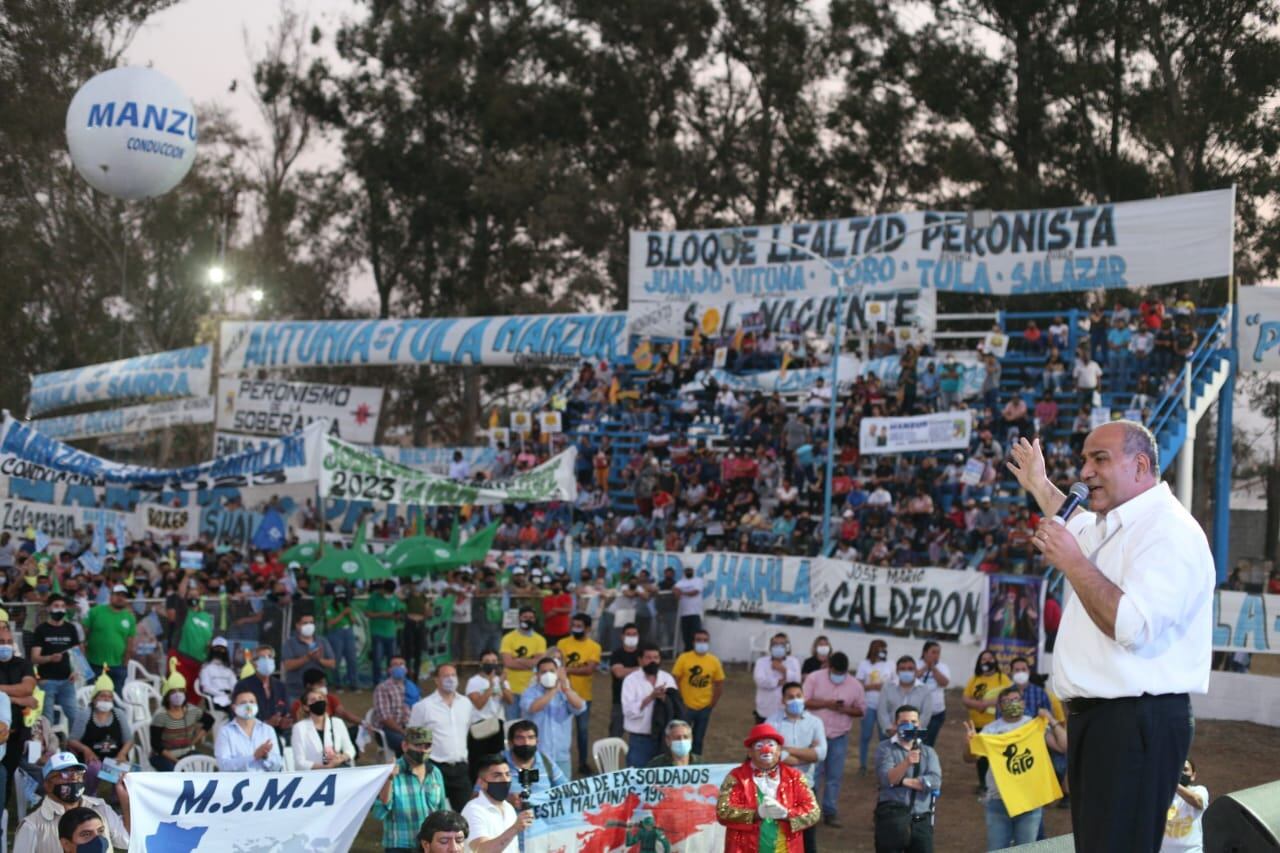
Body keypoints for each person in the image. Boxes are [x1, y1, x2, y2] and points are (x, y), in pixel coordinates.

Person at [1008, 423, 1213, 853]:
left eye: (1099, 459)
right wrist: (1039, 484)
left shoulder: (1169, 531)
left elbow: (1130, 626)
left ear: (1140, 465)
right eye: (1084, 460)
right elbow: (1075, 522)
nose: (1085, 471)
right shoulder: (1111, 523)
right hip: (1102, 721)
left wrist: (1073, 564)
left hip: (1134, 722)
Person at [963, 689, 1067, 850]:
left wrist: (1051, 720)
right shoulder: (990, 731)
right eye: (1007, 701)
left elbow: (1063, 746)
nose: (1012, 703)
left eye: (1016, 699)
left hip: (1029, 800)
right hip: (998, 799)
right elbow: (970, 758)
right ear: (999, 705)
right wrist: (970, 743)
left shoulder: (1034, 726)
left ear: (1023, 702)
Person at [715, 723, 821, 853]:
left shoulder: (795, 777)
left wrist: (787, 814)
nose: (766, 749)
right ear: (750, 752)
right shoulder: (736, 777)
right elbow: (723, 812)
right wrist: (755, 814)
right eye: (759, 746)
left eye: (771, 745)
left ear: (779, 750)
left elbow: (814, 812)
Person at [13, 751, 129, 853]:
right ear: (47, 785)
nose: (73, 778)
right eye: (64, 774)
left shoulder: (100, 807)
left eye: (78, 773)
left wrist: (126, 801)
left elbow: (126, 840)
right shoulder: (32, 826)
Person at [802, 651, 865, 829]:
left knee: (834, 776)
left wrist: (844, 709)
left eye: (842, 674)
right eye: (837, 673)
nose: (839, 677)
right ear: (830, 667)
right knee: (812, 775)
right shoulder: (814, 678)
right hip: (815, 735)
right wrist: (826, 704)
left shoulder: (855, 685)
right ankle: (808, 810)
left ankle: (830, 811)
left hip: (839, 736)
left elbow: (861, 710)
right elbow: (804, 701)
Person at [766, 682, 827, 853]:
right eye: (790, 697)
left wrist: (788, 750)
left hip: (806, 787)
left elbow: (821, 754)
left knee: (808, 840)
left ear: (804, 697)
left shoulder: (815, 723)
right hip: (779, 790)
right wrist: (807, 751)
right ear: (783, 700)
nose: (795, 700)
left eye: (798, 696)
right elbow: (772, 754)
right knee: (780, 838)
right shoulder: (772, 722)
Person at [873, 705, 940, 853]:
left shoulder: (929, 752)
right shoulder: (885, 748)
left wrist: (902, 781)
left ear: (919, 724)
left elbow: (935, 781)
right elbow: (887, 779)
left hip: (921, 818)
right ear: (895, 724)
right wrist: (907, 763)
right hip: (892, 817)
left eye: (914, 721)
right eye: (904, 721)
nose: (910, 725)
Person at [408, 664, 473, 811]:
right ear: (436, 680)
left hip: (461, 767)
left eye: (453, 675)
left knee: (466, 813)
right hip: (435, 767)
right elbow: (412, 738)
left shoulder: (466, 704)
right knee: (435, 814)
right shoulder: (423, 706)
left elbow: (467, 730)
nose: (450, 679)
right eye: (446, 676)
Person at [372, 726, 448, 853]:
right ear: (405, 746)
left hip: (429, 846)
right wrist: (389, 780)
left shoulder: (435, 773)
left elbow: (441, 811)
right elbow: (379, 812)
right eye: (418, 745)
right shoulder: (391, 772)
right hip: (400, 846)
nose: (423, 750)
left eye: (427, 746)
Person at [518, 655, 586, 779]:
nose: (548, 674)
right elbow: (533, 707)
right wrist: (553, 691)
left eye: (551, 671)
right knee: (536, 796)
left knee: (564, 795)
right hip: (535, 757)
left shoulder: (564, 692)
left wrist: (566, 689)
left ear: (557, 673)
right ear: (537, 675)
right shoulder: (529, 693)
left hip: (561, 757)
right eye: (543, 672)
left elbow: (580, 707)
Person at [67, 670, 133, 788]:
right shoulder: (85, 714)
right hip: (92, 758)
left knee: (125, 771)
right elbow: (72, 740)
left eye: (109, 697)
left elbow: (129, 740)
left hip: (115, 758)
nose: (106, 699)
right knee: (94, 768)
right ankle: (90, 795)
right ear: (94, 698)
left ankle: (117, 798)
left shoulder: (119, 714)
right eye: (102, 696)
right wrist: (85, 749)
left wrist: (122, 754)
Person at [0, 613, 38, 809]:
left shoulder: (22, 664)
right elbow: (25, 695)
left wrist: (9, 696)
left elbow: (28, 689)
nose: (5, 645)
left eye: (8, 641)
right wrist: (21, 699)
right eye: (0, 641)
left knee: (5, 780)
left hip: (17, 735)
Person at [556, 613, 601, 776]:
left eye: (579, 625)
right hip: (562, 696)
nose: (575, 628)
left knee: (582, 731)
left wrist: (566, 670)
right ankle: (561, 761)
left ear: (588, 628)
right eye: (573, 625)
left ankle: (583, 762)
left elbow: (589, 669)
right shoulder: (562, 643)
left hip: (583, 696)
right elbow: (557, 664)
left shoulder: (594, 647)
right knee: (562, 730)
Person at [461, 754, 535, 853]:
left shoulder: (509, 808)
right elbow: (481, 850)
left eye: (507, 774)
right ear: (482, 783)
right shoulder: (473, 810)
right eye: (497, 775)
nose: (505, 780)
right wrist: (515, 828)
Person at [621, 643, 679, 768]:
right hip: (640, 740)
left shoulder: (667, 678)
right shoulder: (630, 680)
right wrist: (650, 697)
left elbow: (675, 705)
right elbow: (628, 711)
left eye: (656, 657)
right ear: (640, 660)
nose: (653, 661)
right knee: (637, 779)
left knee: (662, 781)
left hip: (664, 740)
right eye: (648, 658)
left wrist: (665, 699)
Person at [670, 628, 724, 757]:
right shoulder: (684, 658)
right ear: (693, 642)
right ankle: (680, 761)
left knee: (698, 739)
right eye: (699, 640)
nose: (702, 643)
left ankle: (695, 763)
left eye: (705, 640)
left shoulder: (714, 661)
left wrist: (712, 703)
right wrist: (680, 701)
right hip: (685, 707)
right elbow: (675, 680)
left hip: (704, 708)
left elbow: (719, 683)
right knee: (681, 738)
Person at [148, 663, 212, 772]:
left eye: (181, 691)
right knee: (176, 772)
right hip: (163, 756)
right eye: (173, 691)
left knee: (204, 766)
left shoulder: (192, 710)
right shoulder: (160, 715)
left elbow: (209, 720)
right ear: (167, 695)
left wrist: (194, 741)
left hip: (187, 753)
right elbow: (156, 745)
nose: (178, 695)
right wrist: (177, 761)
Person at [963, 648, 1010, 795]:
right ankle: (983, 783)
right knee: (981, 756)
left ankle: (999, 784)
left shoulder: (1002, 678)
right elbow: (965, 698)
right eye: (984, 659)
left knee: (995, 755)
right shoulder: (975, 679)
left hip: (996, 724)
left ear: (995, 661)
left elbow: (1008, 696)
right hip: (977, 723)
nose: (987, 662)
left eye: (990, 659)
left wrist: (987, 703)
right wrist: (977, 705)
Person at [31, 595, 80, 728]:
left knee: (75, 717)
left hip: (67, 681)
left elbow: (77, 654)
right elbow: (34, 657)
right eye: (56, 606)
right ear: (49, 608)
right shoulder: (41, 629)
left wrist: (76, 671)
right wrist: (49, 658)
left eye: (63, 606)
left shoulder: (71, 628)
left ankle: (75, 746)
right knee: (47, 719)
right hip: (47, 681)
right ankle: (49, 747)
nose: (60, 609)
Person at [213, 688, 283, 771]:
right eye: (243, 703)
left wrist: (266, 756)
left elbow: (279, 765)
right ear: (234, 707)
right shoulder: (225, 732)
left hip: (264, 781)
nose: (248, 706)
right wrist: (253, 757)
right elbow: (223, 766)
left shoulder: (268, 730)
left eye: (252, 702)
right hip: (237, 782)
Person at [291, 683, 356, 770]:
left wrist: (341, 758)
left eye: (320, 698)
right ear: (306, 707)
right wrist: (324, 767)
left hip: (339, 772)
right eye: (313, 700)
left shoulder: (337, 722)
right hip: (313, 777)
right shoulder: (299, 728)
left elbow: (350, 749)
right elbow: (299, 762)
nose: (318, 701)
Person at [83, 585, 135, 691]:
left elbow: (130, 643)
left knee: (117, 699)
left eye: (123, 596)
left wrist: (124, 665)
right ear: (111, 596)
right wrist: (84, 661)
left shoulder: (130, 618)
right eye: (117, 595)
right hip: (94, 665)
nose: (120, 598)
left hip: (118, 666)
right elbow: (83, 637)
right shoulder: (95, 612)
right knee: (93, 695)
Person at [232, 646, 290, 741]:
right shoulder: (243, 686)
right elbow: (238, 714)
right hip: (250, 736)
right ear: (253, 663)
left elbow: (286, 711)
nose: (267, 660)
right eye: (262, 658)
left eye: (270, 657)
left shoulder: (280, 686)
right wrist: (265, 723)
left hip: (276, 735)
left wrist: (283, 721)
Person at [504, 719, 568, 803]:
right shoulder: (498, 763)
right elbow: (482, 795)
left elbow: (567, 790)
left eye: (530, 738)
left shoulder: (546, 762)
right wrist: (505, 799)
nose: (526, 742)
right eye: (520, 738)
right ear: (510, 742)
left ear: (537, 741)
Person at [500, 606, 547, 720]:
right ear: (519, 618)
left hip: (532, 688)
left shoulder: (540, 640)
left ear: (535, 620)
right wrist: (530, 662)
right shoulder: (508, 638)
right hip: (511, 688)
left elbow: (540, 663)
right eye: (525, 617)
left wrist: (519, 660)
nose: (528, 620)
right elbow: (508, 663)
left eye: (531, 617)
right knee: (512, 724)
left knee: (530, 724)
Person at [280, 611, 335, 703]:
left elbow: (332, 664)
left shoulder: (322, 641)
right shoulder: (290, 643)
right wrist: (307, 658)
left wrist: (319, 659)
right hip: (296, 691)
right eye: (305, 623)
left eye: (311, 622)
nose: (309, 625)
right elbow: (288, 666)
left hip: (318, 691)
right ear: (297, 625)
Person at [856, 640, 893, 775]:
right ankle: (863, 765)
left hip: (885, 706)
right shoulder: (864, 665)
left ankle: (884, 765)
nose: (883, 652)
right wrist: (872, 687)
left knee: (884, 737)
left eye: (885, 649)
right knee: (866, 736)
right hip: (869, 704)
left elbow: (894, 683)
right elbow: (858, 685)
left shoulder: (890, 664)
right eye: (881, 649)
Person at [877, 657, 934, 737]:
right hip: (890, 734)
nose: (906, 671)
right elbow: (882, 711)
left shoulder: (924, 690)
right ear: (897, 671)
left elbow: (926, 714)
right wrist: (889, 728)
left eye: (910, 669)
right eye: (903, 669)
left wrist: (914, 730)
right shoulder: (887, 687)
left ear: (915, 670)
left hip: (914, 735)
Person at [753, 632, 801, 723]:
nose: (778, 647)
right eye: (775, 644)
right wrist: (779, 682)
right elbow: (760, 681)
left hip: (786, 710)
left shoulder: (793, 662)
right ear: (770, 647)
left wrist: (782, 669)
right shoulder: (761, 662)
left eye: (782, 645)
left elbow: (796, 681)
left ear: (787, 647)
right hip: (765, 710)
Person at [1161, 758, 1207, 853]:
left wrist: (1173, 783)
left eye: (1185, 769)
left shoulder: (1199, 790)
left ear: (1193, 776)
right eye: (1177, 769)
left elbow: (1197, 801)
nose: (1181, 772)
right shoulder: (1161, 794)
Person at [373, 655, 413, 755]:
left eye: (401, 665)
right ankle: (404, 768)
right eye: (395, 665)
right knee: (409, 746)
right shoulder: (383, 688)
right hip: (389, 730)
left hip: (410, 727)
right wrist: (403, 732)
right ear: (389, 670)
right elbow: (385, 718)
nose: (399, 667)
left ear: (406, 669)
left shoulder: (412, 688)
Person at [323, 584, 360, 690]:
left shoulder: (347, 605)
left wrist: (350, 614)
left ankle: (353, 683)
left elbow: (354, 622)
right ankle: (337, 683)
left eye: (343, 595)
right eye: (339, 595)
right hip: (335, 633)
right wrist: (343, 614)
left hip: (348, 631)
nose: (341, 598)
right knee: (336, 659)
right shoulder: (329, 605)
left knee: (351, 659)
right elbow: (331, 622)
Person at [915, 642, 951, 747]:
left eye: (938, 653)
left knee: (928, 743)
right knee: (915, 742)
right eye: (933, 652)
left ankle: (924, 763)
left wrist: (934, 668)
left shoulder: (943, 667)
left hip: (936, 712)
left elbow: (944, 683)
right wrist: (926, 667)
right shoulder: (916, 664)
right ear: (925, 652)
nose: (936, 655)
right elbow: (911, 680)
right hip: (918, 712)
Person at [672, 565, 708, 653]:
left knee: (695, 635)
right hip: (684, 613)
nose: (688, 572)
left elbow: (695, 592)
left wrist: (682, 592)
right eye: (687, 570)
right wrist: (677, 592)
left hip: (695, 613)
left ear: (693, 571)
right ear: (684, 572)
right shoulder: (681, 582)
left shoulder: (698, 580)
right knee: (685, 636)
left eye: (690, 570)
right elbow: (675, 589)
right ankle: (687, 653)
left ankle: (696, 652)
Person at [197, 636, 237, 710]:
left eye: (222, 649)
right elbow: (206, 688)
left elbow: (234, 685)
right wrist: (223, 694)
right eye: (217, 648)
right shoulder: (206, 668)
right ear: (212, 650)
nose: (219, 651)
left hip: (231, 698)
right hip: (215, 698)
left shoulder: (229, 669)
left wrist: (233, 694)